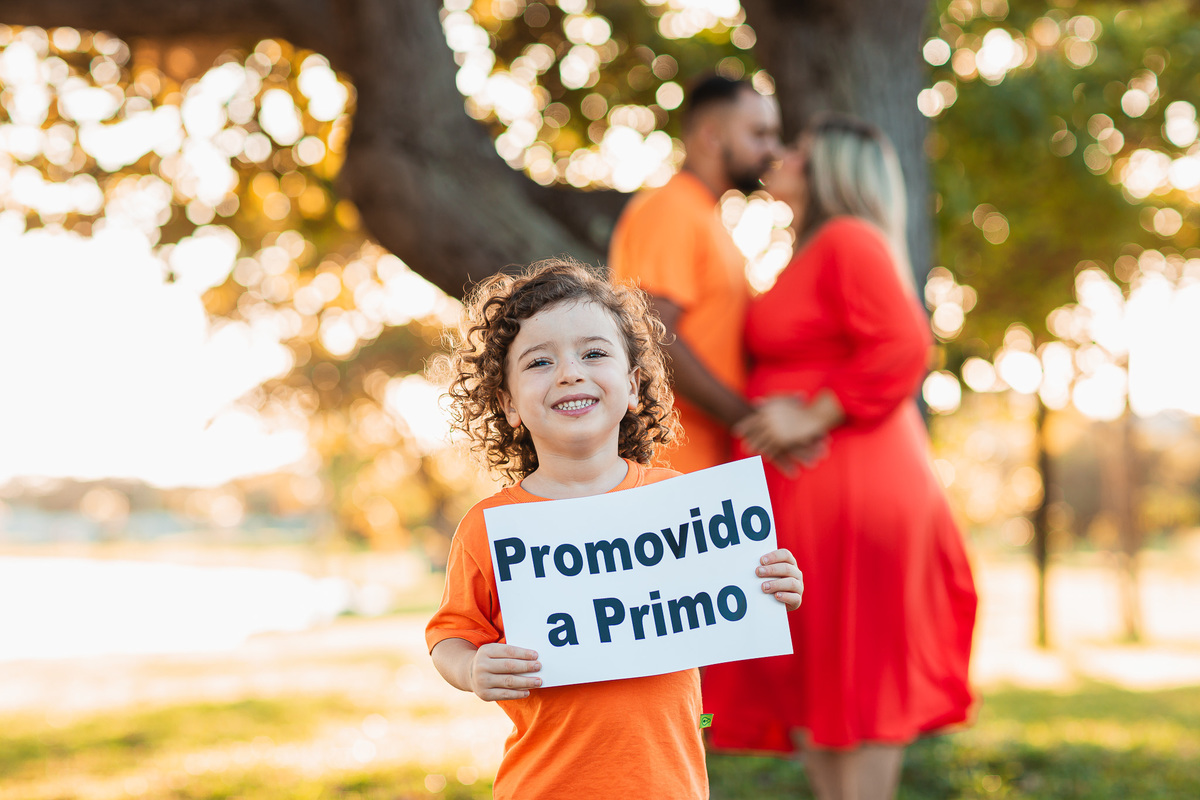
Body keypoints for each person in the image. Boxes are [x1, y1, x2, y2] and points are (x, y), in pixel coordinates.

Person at [425, 258, 805, 800]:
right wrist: (472, 668)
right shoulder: (489, 528)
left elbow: (734, 590)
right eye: (539, 362)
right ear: (508, 404)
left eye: (594, 353)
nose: (570, 372)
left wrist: (774, 582)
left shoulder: (681, 503)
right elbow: (450, 635)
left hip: (669, 786)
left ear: (632, 387)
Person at [701, 116, 978, 800]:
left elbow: (905, 345)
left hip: (856, 488)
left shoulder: (850, 239)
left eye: (800, 151)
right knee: (818, 679)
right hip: (818, 495)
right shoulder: (811, 251)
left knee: (860, 672)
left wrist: (811, 414)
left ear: (831, 173)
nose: (783, 156)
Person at [609, 75, 782, 474]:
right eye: (759, 134)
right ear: (711, 136)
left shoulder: (710, 220)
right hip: (672, 466)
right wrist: (751, 418)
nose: (772, 150)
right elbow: (654, 335)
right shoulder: (670, 209)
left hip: (711, 466)